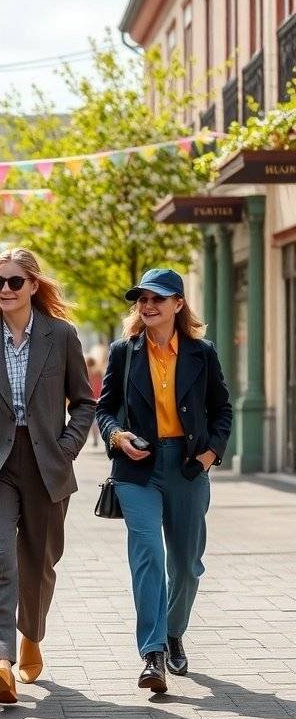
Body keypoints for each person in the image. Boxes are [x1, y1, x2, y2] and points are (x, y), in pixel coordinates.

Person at [0, 248, 95, 704]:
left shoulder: (62, 335)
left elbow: (84, 402)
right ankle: (2, 662)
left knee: (39, 562)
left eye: (14, 281)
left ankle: (31, 633)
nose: (5, 290)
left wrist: (68, 446)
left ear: (33, 284)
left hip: (47, 463)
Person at [96, 268, 232, 693]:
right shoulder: (125, 352)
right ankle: (152, 653)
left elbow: (221, 409)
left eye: (158, 298)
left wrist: (209, 454)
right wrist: (116, 436)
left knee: (187, 565)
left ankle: (174, 631)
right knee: (149, 555)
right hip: (137, 468)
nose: (148, 306)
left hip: (189, 467)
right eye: (142, 299)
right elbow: (105, 409)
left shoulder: (201, 352)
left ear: (178, 304)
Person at [85, 355, 103, 446]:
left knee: (89, 420)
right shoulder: (99, 372)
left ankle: (85, 438)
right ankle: (95, 439)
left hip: (89, 399)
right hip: (98, 398)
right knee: (95, 421)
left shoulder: (86, 372)